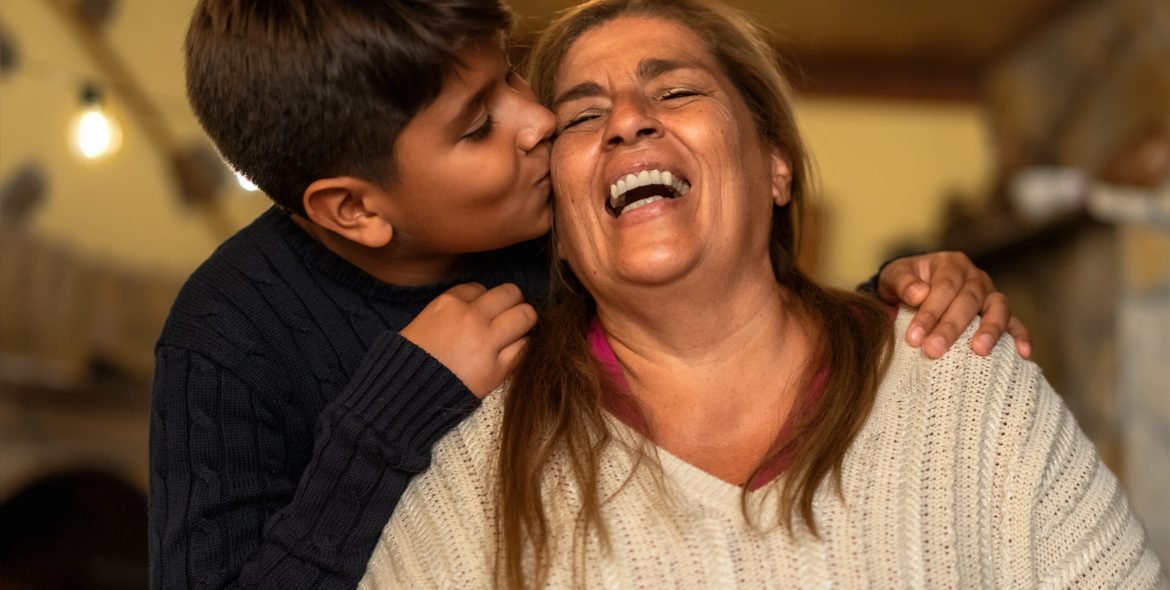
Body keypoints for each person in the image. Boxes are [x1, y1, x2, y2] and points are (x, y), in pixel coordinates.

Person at [154, 0, 1029, 587]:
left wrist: (884, 306)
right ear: (354, 209)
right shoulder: (227, 339)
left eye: (512, 78)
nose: (536, 122)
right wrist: (392, 414)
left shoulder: (551, 219)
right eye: (477, 124)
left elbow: (725, 297)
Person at [358, 0, 1167, 588]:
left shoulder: (960, 378)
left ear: (776, 165)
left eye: (675, 92)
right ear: (560, 219)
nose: (629, 122)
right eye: (582, 115)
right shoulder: (474, 467)